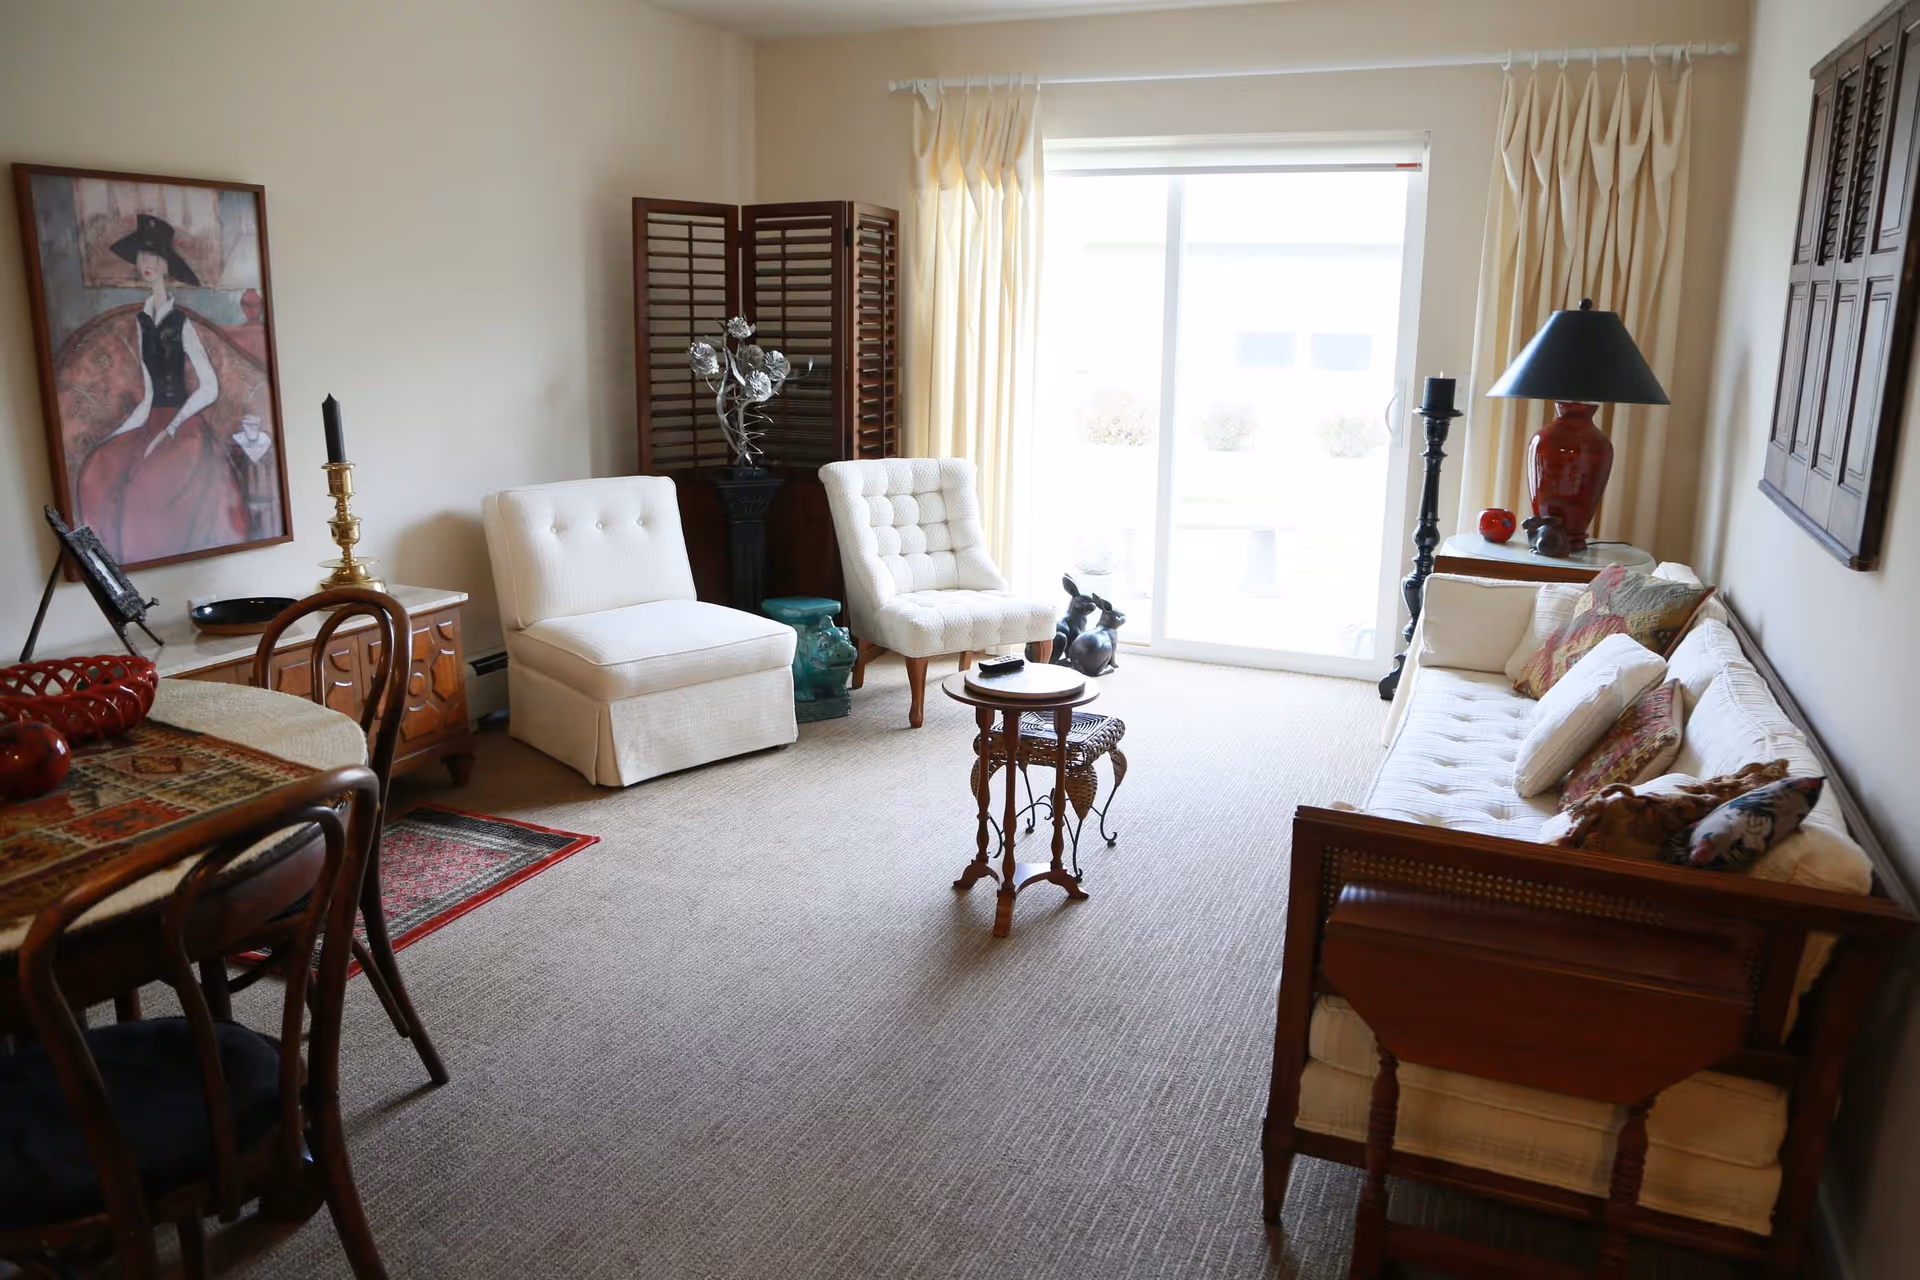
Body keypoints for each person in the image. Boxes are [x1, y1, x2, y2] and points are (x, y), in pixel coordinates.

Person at [74, 213, 246, 562]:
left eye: (154, 256)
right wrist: (114, 436)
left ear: (167, 265)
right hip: (152, 420)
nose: (146, 263)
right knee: (100, 470)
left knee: (144, 488)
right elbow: (150, 394)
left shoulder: (180, 321)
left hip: (187, 427)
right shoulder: (142, 321)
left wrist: (174, 424)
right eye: (142, 255)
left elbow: (209, 387)